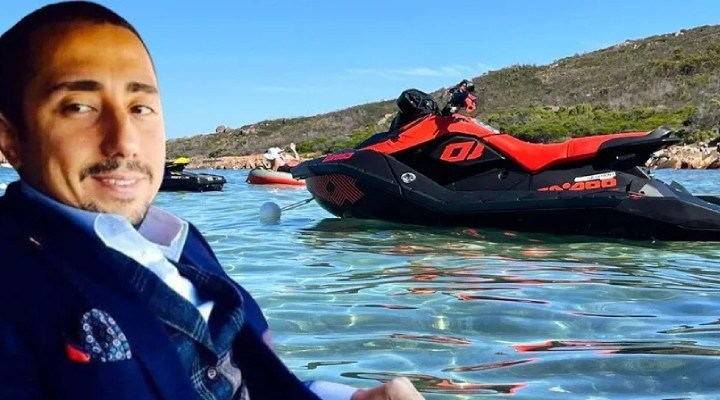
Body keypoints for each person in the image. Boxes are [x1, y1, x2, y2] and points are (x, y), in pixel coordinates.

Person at [0, 2, 425, 399]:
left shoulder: (180, 242)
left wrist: (348, 396)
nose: (124, 141)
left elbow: (238, 380)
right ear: (9, 138)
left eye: (140, 108)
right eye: (79, 107)